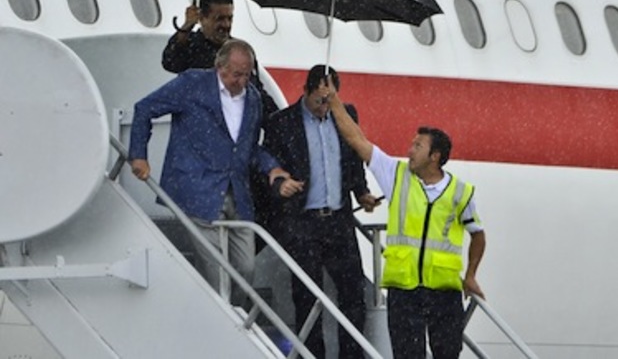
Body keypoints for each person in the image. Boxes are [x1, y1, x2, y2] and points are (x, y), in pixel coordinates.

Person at [323, 78, 486, 359]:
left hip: (443, 291)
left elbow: (478, 235)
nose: (410, 151)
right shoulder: (397, 176)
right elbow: (357, 140)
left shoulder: (460, 193)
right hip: (404, 290)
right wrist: (335, 102)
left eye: (417, 146)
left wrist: (470, 275)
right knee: (407, 354)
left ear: (434, 156)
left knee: (448, 353)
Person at [129, 39, 290, 306]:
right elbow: (144, 108)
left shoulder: (253, 98)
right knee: (215, 268)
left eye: (247, 74)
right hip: (197, 187)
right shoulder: (192, 83)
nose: (242, 81)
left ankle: (232, 312)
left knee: (246, 267)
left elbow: (248, 147)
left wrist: (271, 167)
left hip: (236, 192)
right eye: (237, 74)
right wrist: (139, 155)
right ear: (220, 67)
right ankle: (224, 317)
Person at [263, 65, 381, 359]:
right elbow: (268, 165)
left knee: (353, 294)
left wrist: (362, 192)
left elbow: (352, 160)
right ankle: (311, 355)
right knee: (307, 297)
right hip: (303, 221)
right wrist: (280, 185)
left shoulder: (345, 115)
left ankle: (350, 355)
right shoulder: (283, 123)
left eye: (330, 100)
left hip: (339, 219)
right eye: (319, 100)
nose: (323, 107)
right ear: (306, 91)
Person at [161, 0, 280, 237]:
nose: (225, 25)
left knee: (265, 210)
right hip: (203, 160)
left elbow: (256, 92)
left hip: (237, 154)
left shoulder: (240, 51)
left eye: (229, 18)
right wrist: (186, 27)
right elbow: (170, 61)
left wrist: (282, 121)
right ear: (203, 18)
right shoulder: (192, 46)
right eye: (219, 19)